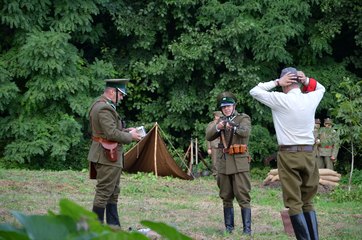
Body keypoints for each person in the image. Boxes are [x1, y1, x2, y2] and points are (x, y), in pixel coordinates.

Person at [250, 67, 325, 240]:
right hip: (308, 154)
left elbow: (254, 91)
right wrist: (306, 80)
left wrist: (276, 82)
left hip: (289, 154)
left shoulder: (279, 99)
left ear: (285, 83)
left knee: (294, 203)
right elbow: (321, 88)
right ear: (298, 82)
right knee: (307, 201)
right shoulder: (311, 98)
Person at [88, 79, 142, 227]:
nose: (122, 97)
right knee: (104, 192)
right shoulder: (104, 108)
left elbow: (108, 131)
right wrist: (130, 137)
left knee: (113, 192)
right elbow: (111, 133)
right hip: (106, 155)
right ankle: (95, 229)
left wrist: (126, 131)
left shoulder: (101, 104)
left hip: (107, 154)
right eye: (121, 94)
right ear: (112, 91)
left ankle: (114, 227)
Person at [205, 92, 252, 235]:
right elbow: (209, 135)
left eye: (229, 106)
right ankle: (229, 228)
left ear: (234, 106)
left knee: (243, 196)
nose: (226, 109)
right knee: (226, 196)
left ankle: (247, 230)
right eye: (224, 107)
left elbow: (245, 132)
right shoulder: (220, 121)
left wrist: (233, 127)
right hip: (224, 163)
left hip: (239, 163)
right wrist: (219, 126)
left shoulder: (242, 118)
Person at [207, 111, 223, 177]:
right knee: (214, 161)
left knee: (222, 160)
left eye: (220, 116)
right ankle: (215, 174)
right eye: (219, 116)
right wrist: (209, 148)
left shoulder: (223, 123)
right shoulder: (211, 124)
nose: (220, 117)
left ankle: (222, 174)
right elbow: (208, 136)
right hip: (214, 144)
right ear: (215, 116)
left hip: (222, 145)